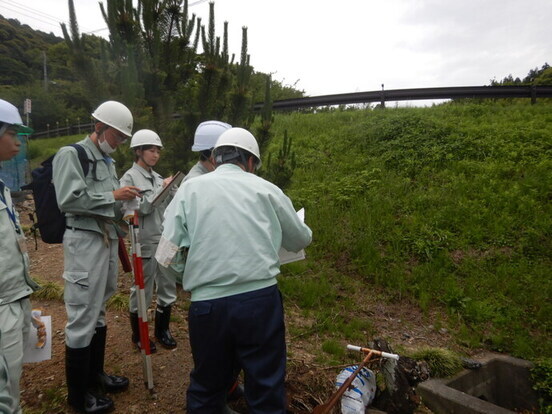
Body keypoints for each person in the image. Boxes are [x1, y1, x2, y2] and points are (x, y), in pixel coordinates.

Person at [157, 127, 312, 413]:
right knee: (265, 384)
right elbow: (301, 238)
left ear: (216, 158)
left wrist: (188, 274)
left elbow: (165, 253)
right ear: (251, 161)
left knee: (207, 386)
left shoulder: (190, 189)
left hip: (206, 306)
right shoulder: (266, 189)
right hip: (259, 302)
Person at [52, 100, 140, 414]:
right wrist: (113, 196)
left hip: (106, 239)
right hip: (84, 240)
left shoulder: (106, 162)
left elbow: (110, 204)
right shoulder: (71, 155)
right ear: (99, 127)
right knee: (81, 314)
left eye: (122, 139)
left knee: (99, 306)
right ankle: (79, 396)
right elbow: (69, 199)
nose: (118, 143)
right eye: (117, 136)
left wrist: (127, 201)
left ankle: (96, 377)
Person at [120, 129, 177, 351]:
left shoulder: (158, 177)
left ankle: (163, 330)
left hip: (163, 240)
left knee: (167, 286)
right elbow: (137, 209)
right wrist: (162, 190)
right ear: (138, 151)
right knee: (142, 289)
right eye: (151, 150)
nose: (155, 155)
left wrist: (172, 189)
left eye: (157, 151)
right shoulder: (129, 178)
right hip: (143, 241)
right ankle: (139, 335)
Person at [0, 98, 40, 414]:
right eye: (11, 132)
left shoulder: (2, 188)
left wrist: (24, 305)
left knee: (11, 389)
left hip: (12, 300)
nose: (18, 141)